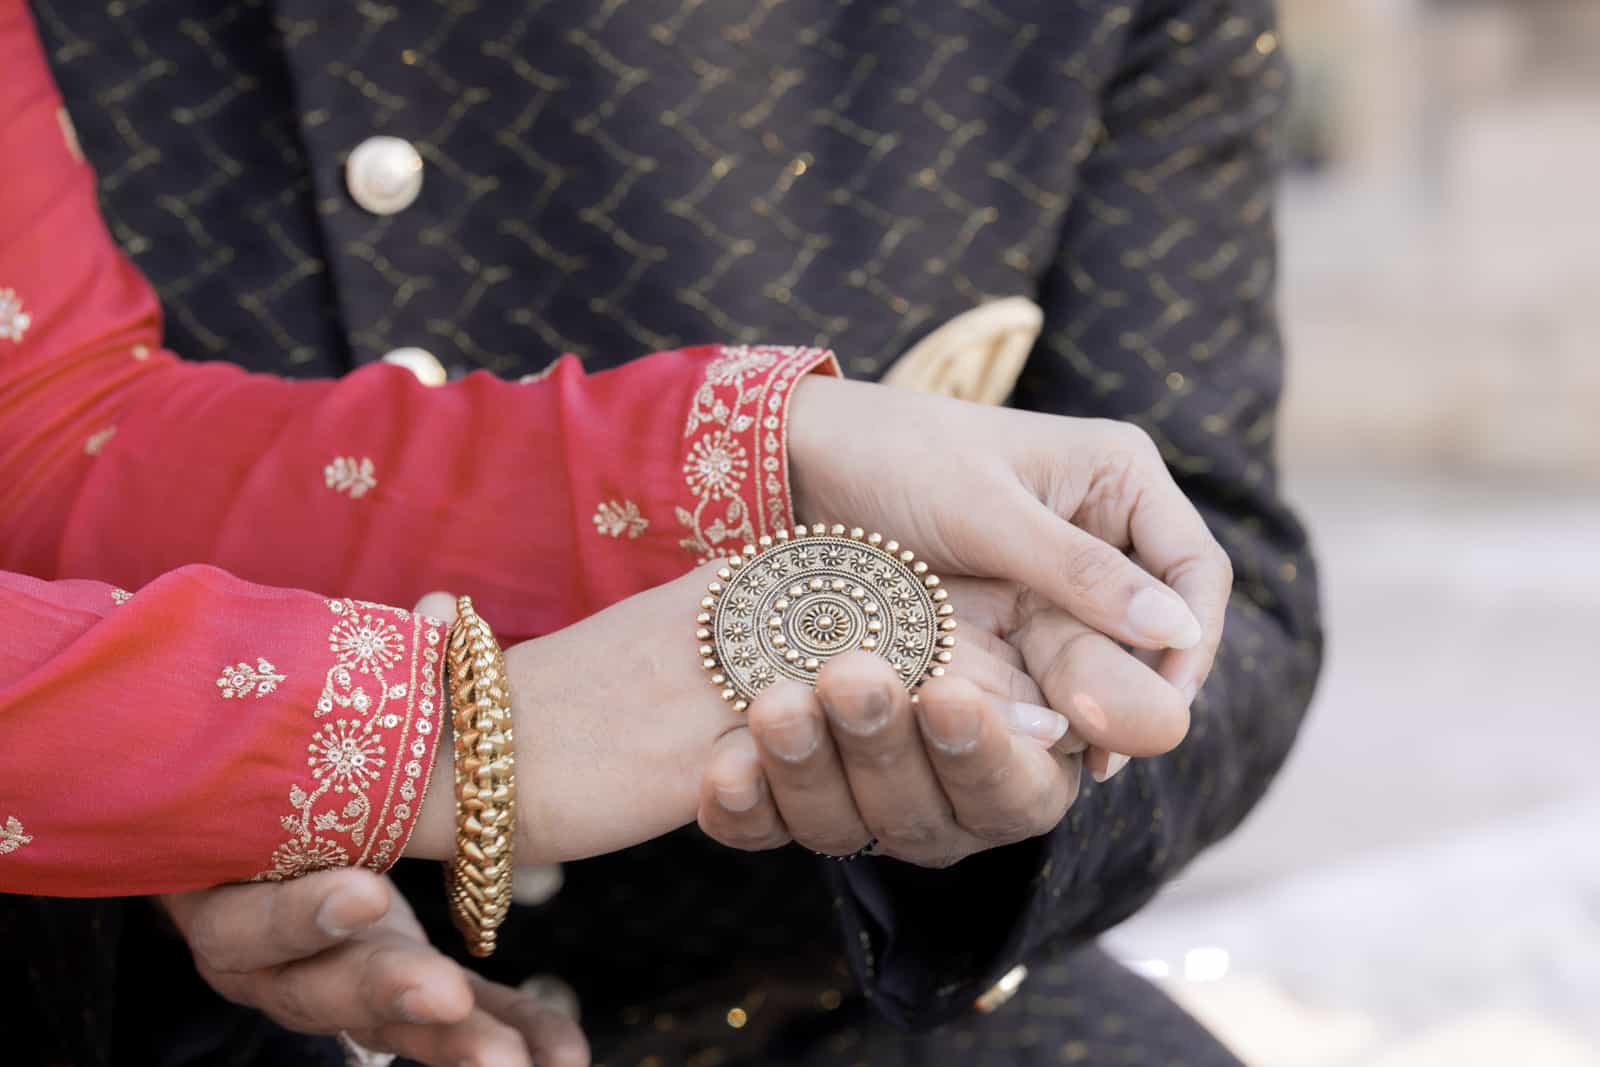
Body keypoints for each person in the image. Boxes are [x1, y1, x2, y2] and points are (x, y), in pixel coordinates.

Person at [0, 1, 1323, 1065]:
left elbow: (62, 428)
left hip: (819, 976)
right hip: (167, 969)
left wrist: (1004, 753)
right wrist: (339, 764)